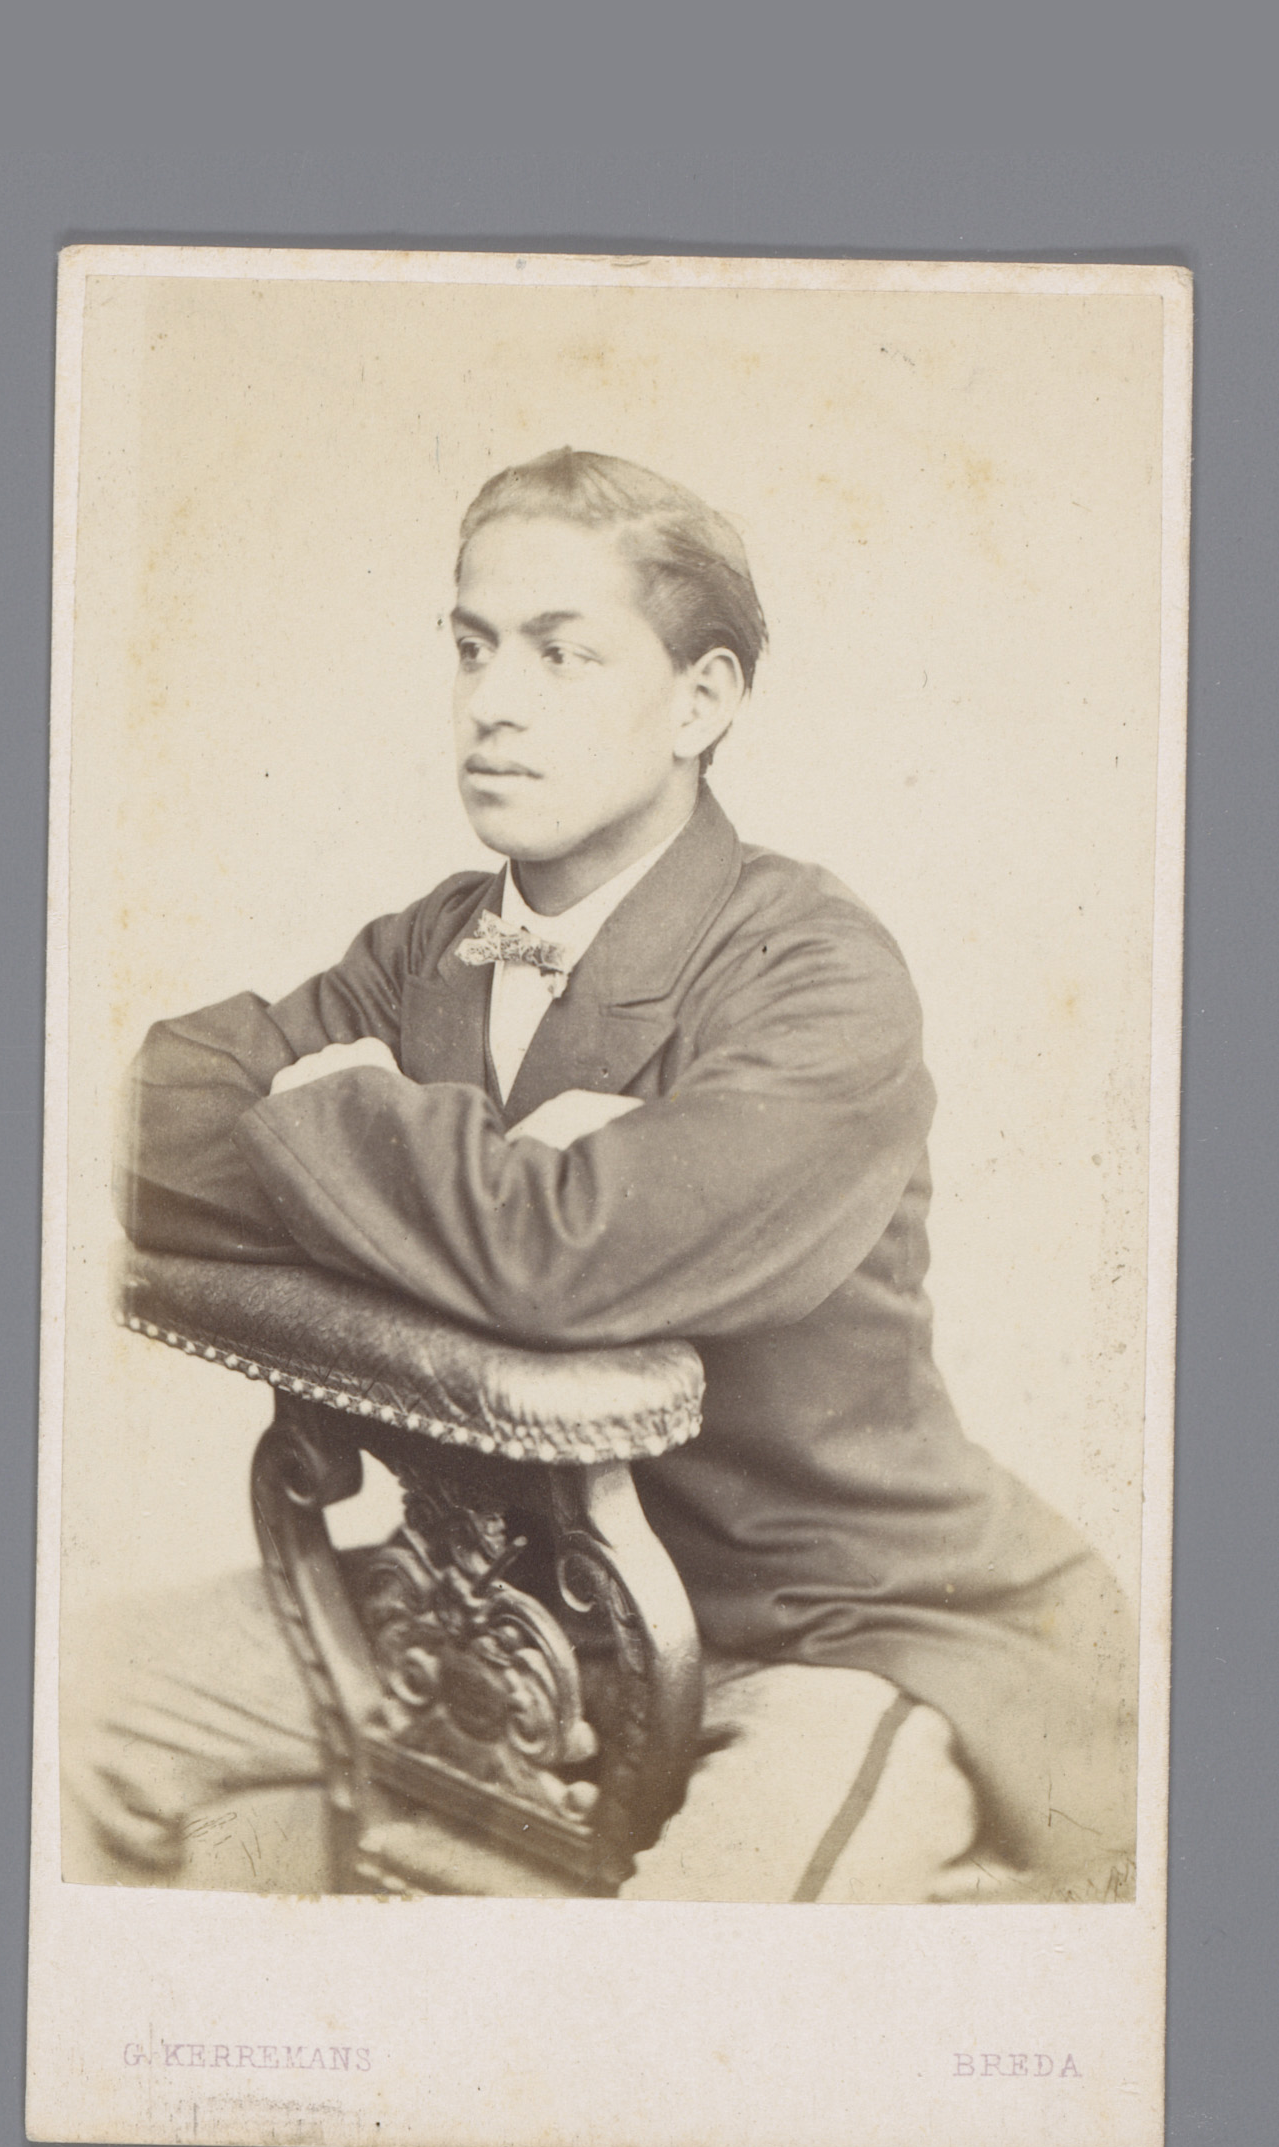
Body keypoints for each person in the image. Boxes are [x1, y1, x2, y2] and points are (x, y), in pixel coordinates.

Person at [71, 448, 1136, 1905]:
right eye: (471, 647)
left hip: (827, 1624)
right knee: (62, 1709)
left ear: (701, 702)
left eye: (561, 654)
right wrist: (479, 1175)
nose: (491, 702)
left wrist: (357, 1136)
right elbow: (147, 1120)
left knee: (671, 1985)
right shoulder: (433, 947)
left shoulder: (816, 972)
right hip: (514, 1610)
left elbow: (565, 1263)